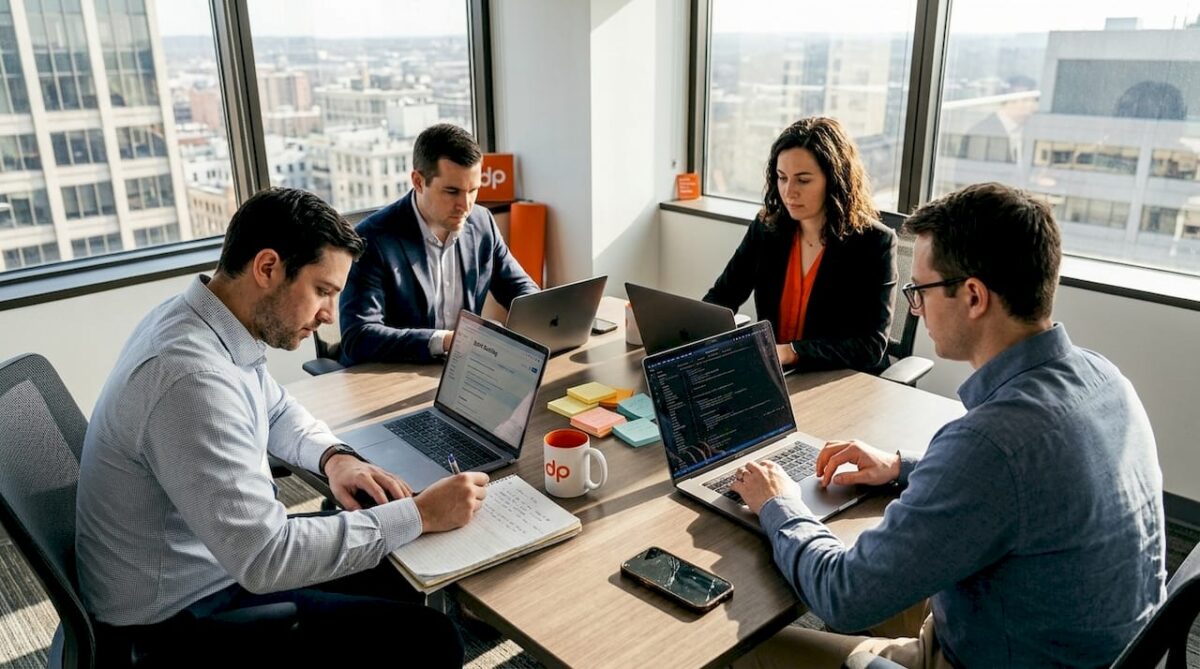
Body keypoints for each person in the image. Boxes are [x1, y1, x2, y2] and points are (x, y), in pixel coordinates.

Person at [730, 183, 1166, 668]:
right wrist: (899, 467)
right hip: (1067, 642)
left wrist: (778, 503)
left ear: (974, 296)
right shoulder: (1105, 379)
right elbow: (1018, 487)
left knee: (746, 651)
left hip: (987, 656)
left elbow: (842, 596)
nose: (915, 306)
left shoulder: (991, 444)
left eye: (919, 291)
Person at [76, 188, 488, 668]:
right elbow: (266, 558)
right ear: (268, 268)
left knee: (398, 569)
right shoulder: (191, 379)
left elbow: (274, 409)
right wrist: (420, 514)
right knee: (433, 639)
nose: (330, 315)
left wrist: (335, 458)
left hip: (204, 559)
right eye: (323, 291)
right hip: (177, 618)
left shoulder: (204, 321)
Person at [703, 116, 897, 373]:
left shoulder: (874, 243)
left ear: (834, 181)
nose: (788, 191)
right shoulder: (766, 228)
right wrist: (693, 332)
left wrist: (791, 352)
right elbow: (724, 296)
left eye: (803, 180)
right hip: (777, 374)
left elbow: (869, 347)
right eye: (782, 178)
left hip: (841, 380)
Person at [339, 122, 539, 365]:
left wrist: (545, 317)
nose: (465, 205)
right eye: (452, 192)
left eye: (473, 190)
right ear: (418, 181)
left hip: (463, 372)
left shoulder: (481, 222)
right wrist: (443, 341)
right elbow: (358, 337)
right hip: (395, 378)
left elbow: (521, 291)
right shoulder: (373, 240)